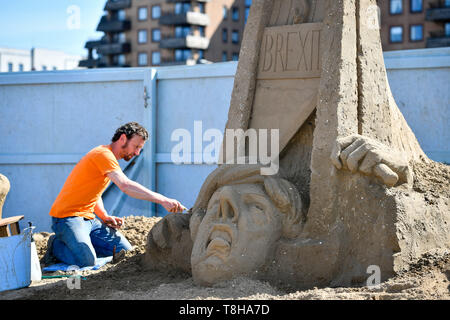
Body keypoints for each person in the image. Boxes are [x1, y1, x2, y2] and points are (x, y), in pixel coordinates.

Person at [44, 122, 186, 267]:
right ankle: (55, 245)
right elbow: (125, 185)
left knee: (124, 252)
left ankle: (82, 243)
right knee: (87, 261)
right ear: (123, 139)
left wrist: (104, 216)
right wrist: (162, 199)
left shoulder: (107, 158)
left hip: (89, 219)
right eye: (136, 147)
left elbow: (94, 192)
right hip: (68, 218)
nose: (137, 152)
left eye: (140, 148)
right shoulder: (103, 154)